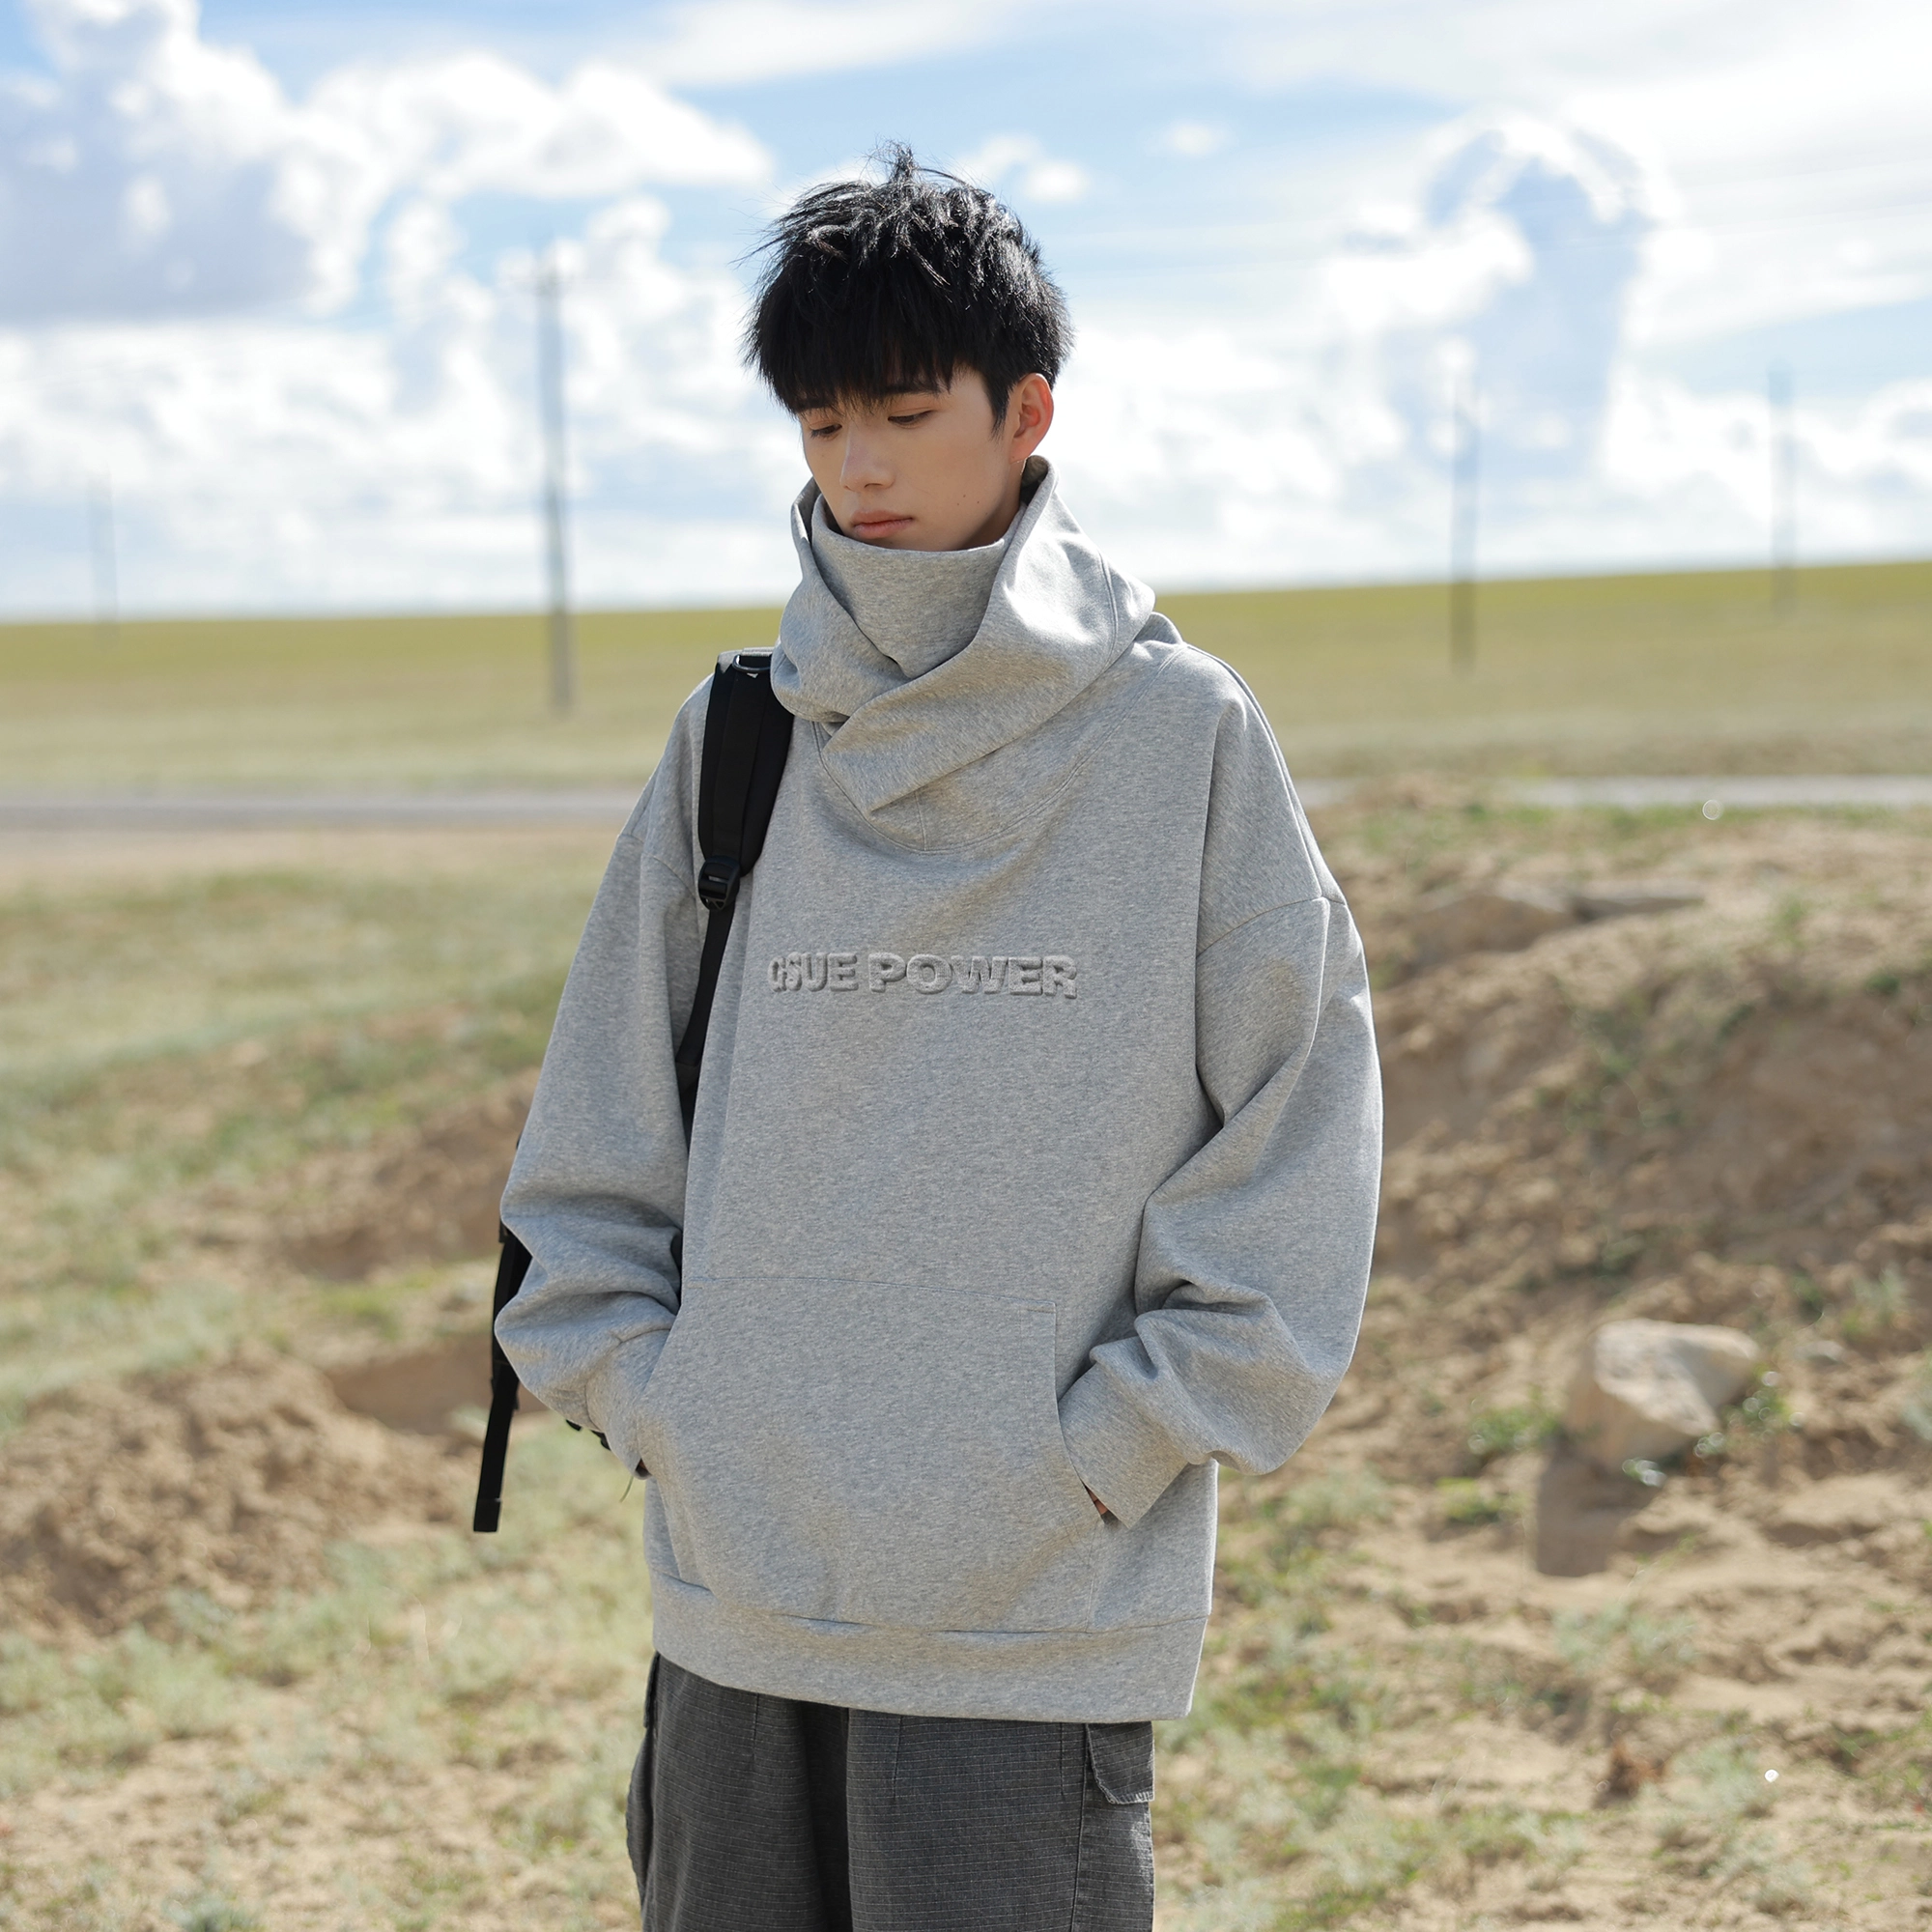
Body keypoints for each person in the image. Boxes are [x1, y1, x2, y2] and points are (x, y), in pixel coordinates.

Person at [495, 146, 1382, 1932]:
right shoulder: (739, 739)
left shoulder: (1181, 737)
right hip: (742, 1586)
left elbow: (1302, 1112)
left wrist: (1108, 1447)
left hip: (1032, 1605)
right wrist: (665, 1406)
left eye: (906, 414)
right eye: (824, 426)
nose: (863, 470)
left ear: (1026, 410)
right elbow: (597, 1122)